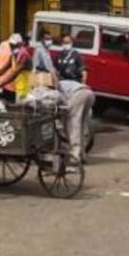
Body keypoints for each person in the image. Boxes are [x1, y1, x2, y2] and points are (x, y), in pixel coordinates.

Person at [54, 33, 94, 162]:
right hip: (87, 93)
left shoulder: (77, 55)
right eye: (64, 42)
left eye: (68, 41)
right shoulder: (59, 57)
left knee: (73, 124)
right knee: (82, 125)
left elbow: (83, 71)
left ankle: (75, 156)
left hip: (79, 92)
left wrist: (84, 81)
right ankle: (82, 154)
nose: (66, 44)